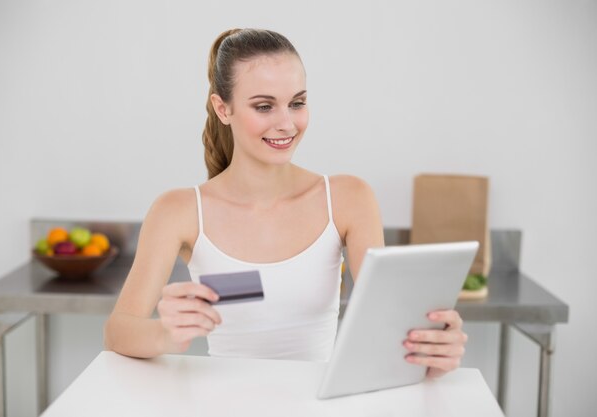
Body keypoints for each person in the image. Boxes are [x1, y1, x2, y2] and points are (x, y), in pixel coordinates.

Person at [104, 28, 467, 378]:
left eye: (297, 103)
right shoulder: (179, 210)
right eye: (264, 106)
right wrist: (167, 335)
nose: (287, 123)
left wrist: (433, 351)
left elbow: (390, 326)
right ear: (222, 108)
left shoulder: (347, 199)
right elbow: (118, 330)